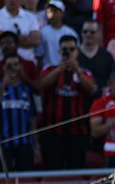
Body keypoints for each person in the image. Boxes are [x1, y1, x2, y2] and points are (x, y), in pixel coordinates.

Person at [37, 34, 96, 170]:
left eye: (71, 49)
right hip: (52, 132)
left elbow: (91, 89)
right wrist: (60, 69)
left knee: (75, 170)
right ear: (59, 51)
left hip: (77, 133)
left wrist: (76, 70)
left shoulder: (84, 72)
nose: (68, 53)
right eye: (64, 49)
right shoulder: (49, 69)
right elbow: (41, 86)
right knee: (53, 170)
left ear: (77, 52)